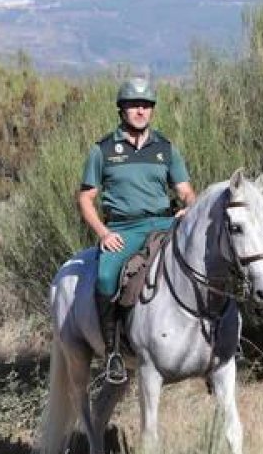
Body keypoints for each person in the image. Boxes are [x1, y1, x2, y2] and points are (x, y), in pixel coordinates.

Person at [77, 77, 197, 384]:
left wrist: (188, 206)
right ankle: (112, 353)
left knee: (204, 259)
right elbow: (86, 198)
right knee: (105, 277)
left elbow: (185, 191)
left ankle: (216, 344)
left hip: (164, 223)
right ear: (122, 110)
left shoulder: (166, 148)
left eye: (146, 106)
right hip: (124, 229)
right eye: (134, 106)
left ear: (152, 110)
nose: (140, 111)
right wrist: (104, 234)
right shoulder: (103, 150)